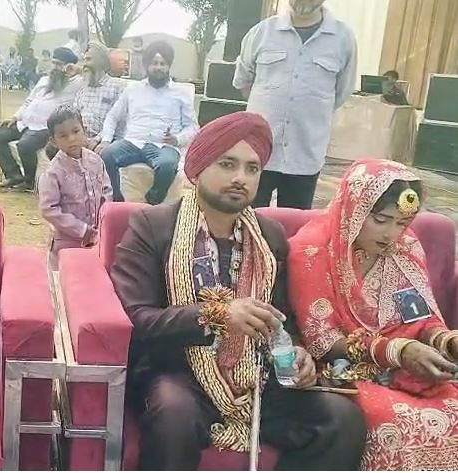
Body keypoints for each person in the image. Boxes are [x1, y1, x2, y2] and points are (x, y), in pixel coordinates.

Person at [110, 111, 367, 470]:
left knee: (342, 419)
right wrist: (217, 316)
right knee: (174, 414)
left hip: (257, 373)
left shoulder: (270, 236)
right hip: (176, 371)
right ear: (197, 168)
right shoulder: (152, 227)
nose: (240, 178)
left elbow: (283, 318)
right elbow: (137, 320)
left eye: (252, 168)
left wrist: (296, 352)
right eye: (227, 164)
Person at [288, 159, 458, 470]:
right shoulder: (312, 250)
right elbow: (323, 343)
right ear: (355, 209)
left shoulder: (405, 249)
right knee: (396, 424)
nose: (391, 234)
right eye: (381, 220)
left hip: (407, 374)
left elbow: (418, 316)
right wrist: (398, 351)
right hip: (341, 374)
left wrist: (445, 341)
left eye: (402, 223)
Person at [233, 0, 357, 210]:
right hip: (258, 151)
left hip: (306, 154)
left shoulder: (343, 39)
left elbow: (342, 92)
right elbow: (244, 82)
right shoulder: (262, 32)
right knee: (246, 219)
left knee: (295, 224)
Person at [97, 41, 198, 205]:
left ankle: (150, 204)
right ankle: (116, 201)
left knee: (167, 165)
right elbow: (113, 116)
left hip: (163, 146)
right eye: (154, 63)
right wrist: (106, 140)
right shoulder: (133, 89)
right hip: (133, 142)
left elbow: (193, 127)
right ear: (147, 65)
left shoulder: (181, 93)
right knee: (107, 154)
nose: (158, 67)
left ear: (168, 66)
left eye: (163, 64)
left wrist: (177, 139)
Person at [0, 47, 83, 192]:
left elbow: (90, 74)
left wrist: (77, 69)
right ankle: (14, 175)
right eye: (54, 63)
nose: (55, 67)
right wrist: (15, 116)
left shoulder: (76, 82)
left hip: (45, 127)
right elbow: (29, 101)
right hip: (25, 123)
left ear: (68, 66)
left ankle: (29, 181)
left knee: (24, 145)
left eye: (59, 64)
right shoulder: (44, 80)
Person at [38, 106, 111, 270]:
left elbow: (107, 192)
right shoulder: (53, 172)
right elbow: (48, 209)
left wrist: (103, 223)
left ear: (84, 130)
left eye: (76, 131)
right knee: (66, 280)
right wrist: (83, 230)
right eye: (63, 135)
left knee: (93, 276)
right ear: (54, 141)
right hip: (66, 243)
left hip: (98, 238)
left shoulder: (96, 161)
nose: (71, 139)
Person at [73, 41, 127, 148]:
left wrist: (98, 139)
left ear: (102, 61)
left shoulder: (118, 86)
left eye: (89, 59)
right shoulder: (82, 89)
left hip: (108, 141)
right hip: (82, 141)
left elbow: (120, 123)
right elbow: (74, 118)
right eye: (84, 60)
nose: (84, 64)